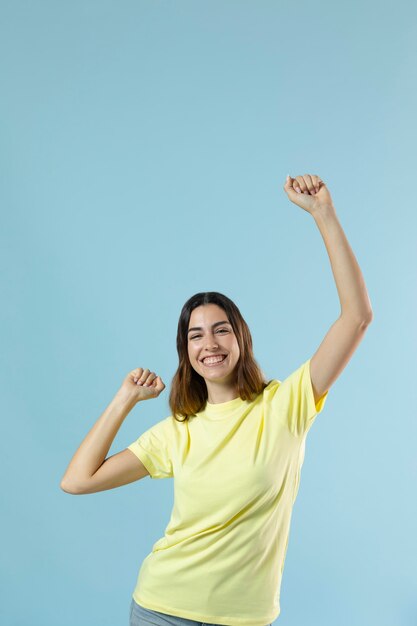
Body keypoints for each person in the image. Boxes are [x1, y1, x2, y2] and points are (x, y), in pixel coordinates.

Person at [60, 174, 373, 626]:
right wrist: (125, 398)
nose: (210, 342)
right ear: (186, 352)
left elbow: (357, 317)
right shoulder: (177, 432)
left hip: (245, 617)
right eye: (195, 334)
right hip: (161, 610)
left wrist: (323, 213)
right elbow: (77, 481)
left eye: (221, 328)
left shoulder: (285, 406)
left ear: (240, 338)